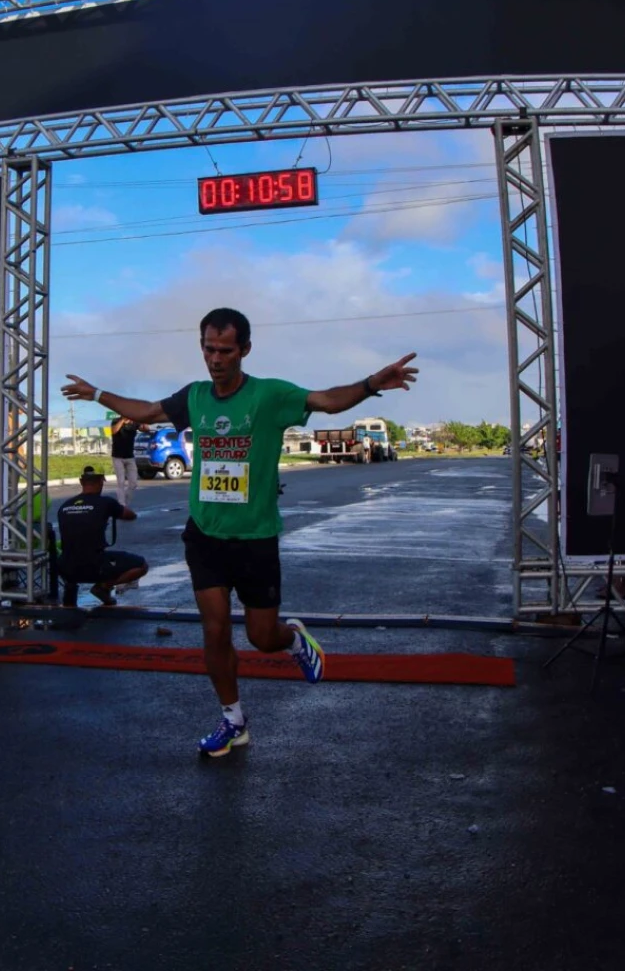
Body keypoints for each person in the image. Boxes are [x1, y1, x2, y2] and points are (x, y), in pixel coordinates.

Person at [61, 307, 417, 757]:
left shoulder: (270, 396)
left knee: (261, 637)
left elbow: (326, 400)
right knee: (214, 632)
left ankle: (293, 639)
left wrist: (369, 385)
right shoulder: (194, 397)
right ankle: (233, 721)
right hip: (206, 535)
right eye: (208, 349)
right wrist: (97, 394)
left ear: (244, 349)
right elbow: (147, 410)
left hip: (255, 538)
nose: (215, 359)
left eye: (225, 350)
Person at [56, 465, 147, 606]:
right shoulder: (106, 503)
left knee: (73, 557)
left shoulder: (64, 506)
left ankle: (71, 593)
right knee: (141, 565)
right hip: (94, 566)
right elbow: (130, 515)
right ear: (101, 482)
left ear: (81, 482)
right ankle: (103, 587)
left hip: (66, 567)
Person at [109, 416, 144, 509]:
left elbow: (145, 429)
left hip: (130, 456)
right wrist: (122, 420)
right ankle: (122, 505)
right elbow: (113, 431)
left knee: (133, 483)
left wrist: (144, 420)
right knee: (121, 482)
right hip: (117, 456)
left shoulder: (135, 422)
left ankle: (125, 501)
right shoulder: (116, 421)